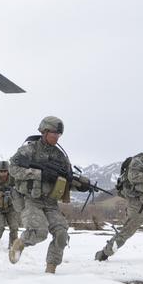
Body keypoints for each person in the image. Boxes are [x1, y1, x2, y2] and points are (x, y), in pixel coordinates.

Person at [8, 116, 91, 273]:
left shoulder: (60, 157)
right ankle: (19, 243)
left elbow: (65, 181)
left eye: (59, 134)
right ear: (44, 131)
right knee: (39, 232)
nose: (57, 137)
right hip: (31, 199)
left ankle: (50, 270)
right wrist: (39, 174)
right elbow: (13, 169)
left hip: (51, 202)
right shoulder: (29, 150)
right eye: (54, 133)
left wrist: (80, 185)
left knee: (61, 235)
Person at [0, 160, 20, 248]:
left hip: (11, 206)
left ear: (8, 171)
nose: (3, 173)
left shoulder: (14, 180)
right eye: (1, 171)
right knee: (0, 228)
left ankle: (13, 246)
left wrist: (14, 193)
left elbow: (21, 191)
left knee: (14, 227)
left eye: (5, 171)